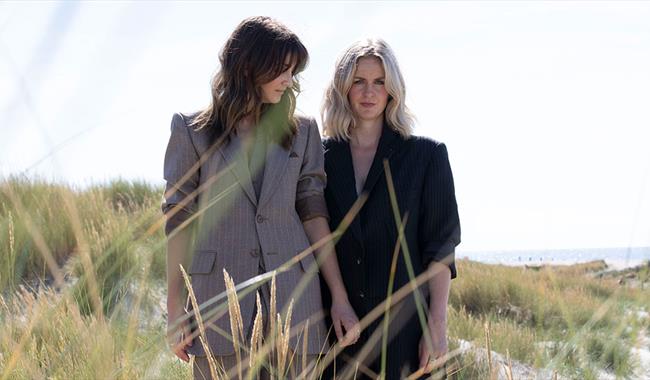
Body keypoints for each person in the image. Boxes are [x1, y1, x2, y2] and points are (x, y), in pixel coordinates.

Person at [162, 16, 359, 379]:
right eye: (281, 69)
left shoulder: (304, 133)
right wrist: (175, 310)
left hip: (295, 307)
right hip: (217, 310)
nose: (289, 79)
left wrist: (339, 298)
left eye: (292, 70)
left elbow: (315, 217)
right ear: (249, 65)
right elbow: (179, 222)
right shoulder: (191, 132)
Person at [320, 38, 461, 379]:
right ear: (343, 88)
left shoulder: (427, 156)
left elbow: (440, 249)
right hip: (337, 330)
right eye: (359, 81)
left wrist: (436, 325)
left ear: (392, 90)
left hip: (406, 334)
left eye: (379, 82)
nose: (369, 92)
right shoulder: (318, 157)